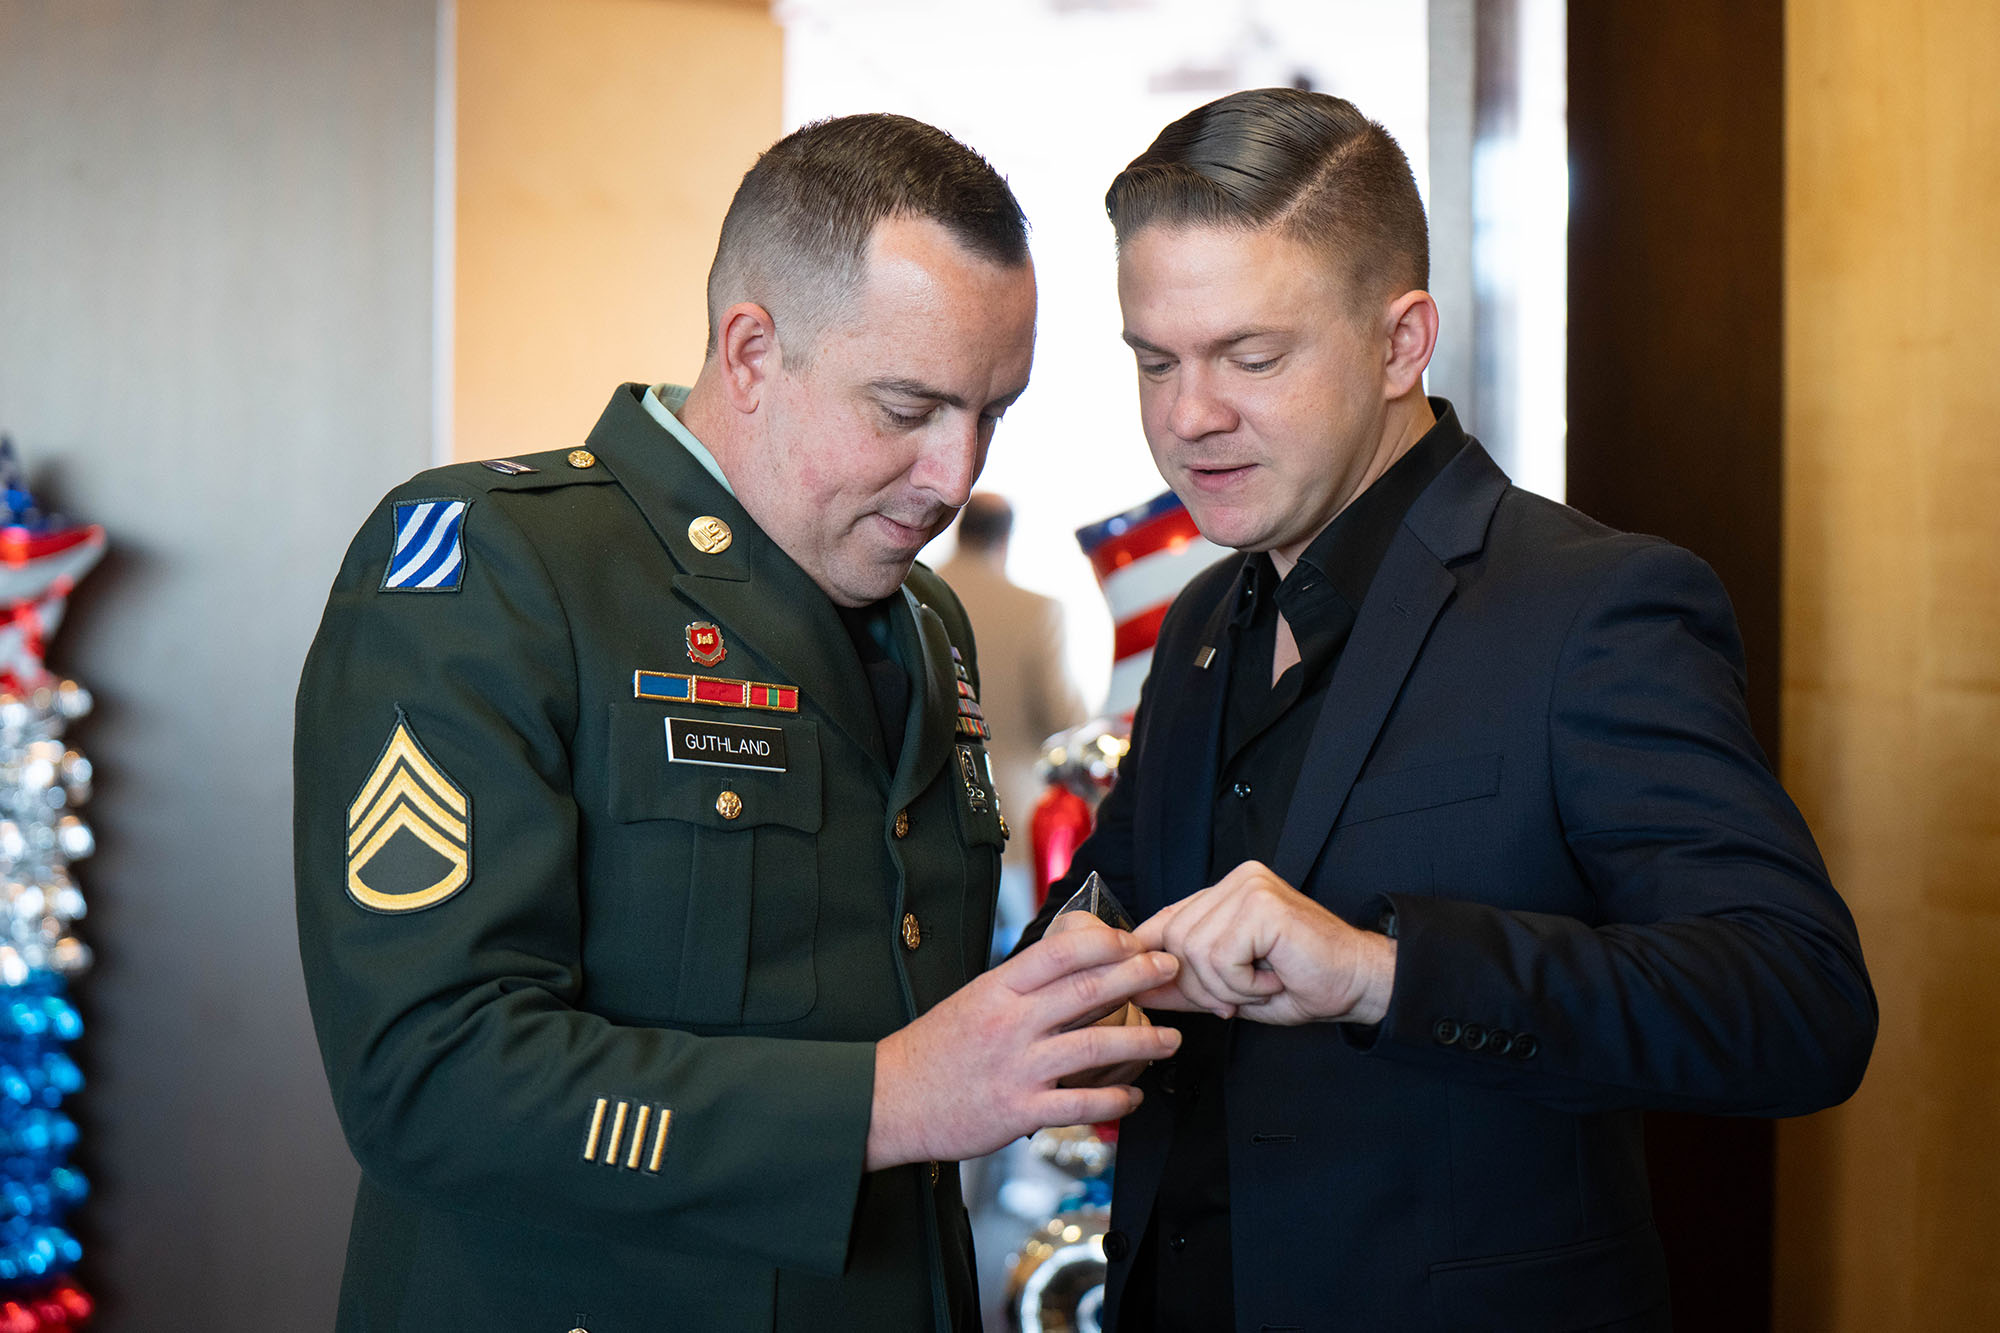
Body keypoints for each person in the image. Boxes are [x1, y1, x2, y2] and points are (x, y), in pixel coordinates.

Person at [293, 113, 1182, 1333]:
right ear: (752, 352)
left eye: (991, 413)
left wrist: (1057, 995)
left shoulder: (928, 620)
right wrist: (887, 1099)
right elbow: (427, 1075)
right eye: (907, 406)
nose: (952, 474)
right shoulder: (496, 569)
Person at [1019, 88, 1876, 1332]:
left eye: (1249, 357)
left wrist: (1380, 971)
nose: (1186, 416)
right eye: (1154, 361)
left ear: (1399, 340)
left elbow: (1799, 1007)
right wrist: (1077, 962)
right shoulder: (1204, 616)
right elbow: (1114, 896)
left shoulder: (1594, 605)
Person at [934, 493, 1088, 946]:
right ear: (1005, 539)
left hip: (932, 816)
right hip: (1013, 822)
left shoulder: (911, 597)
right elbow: (1064, 721)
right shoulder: (1036, 610)